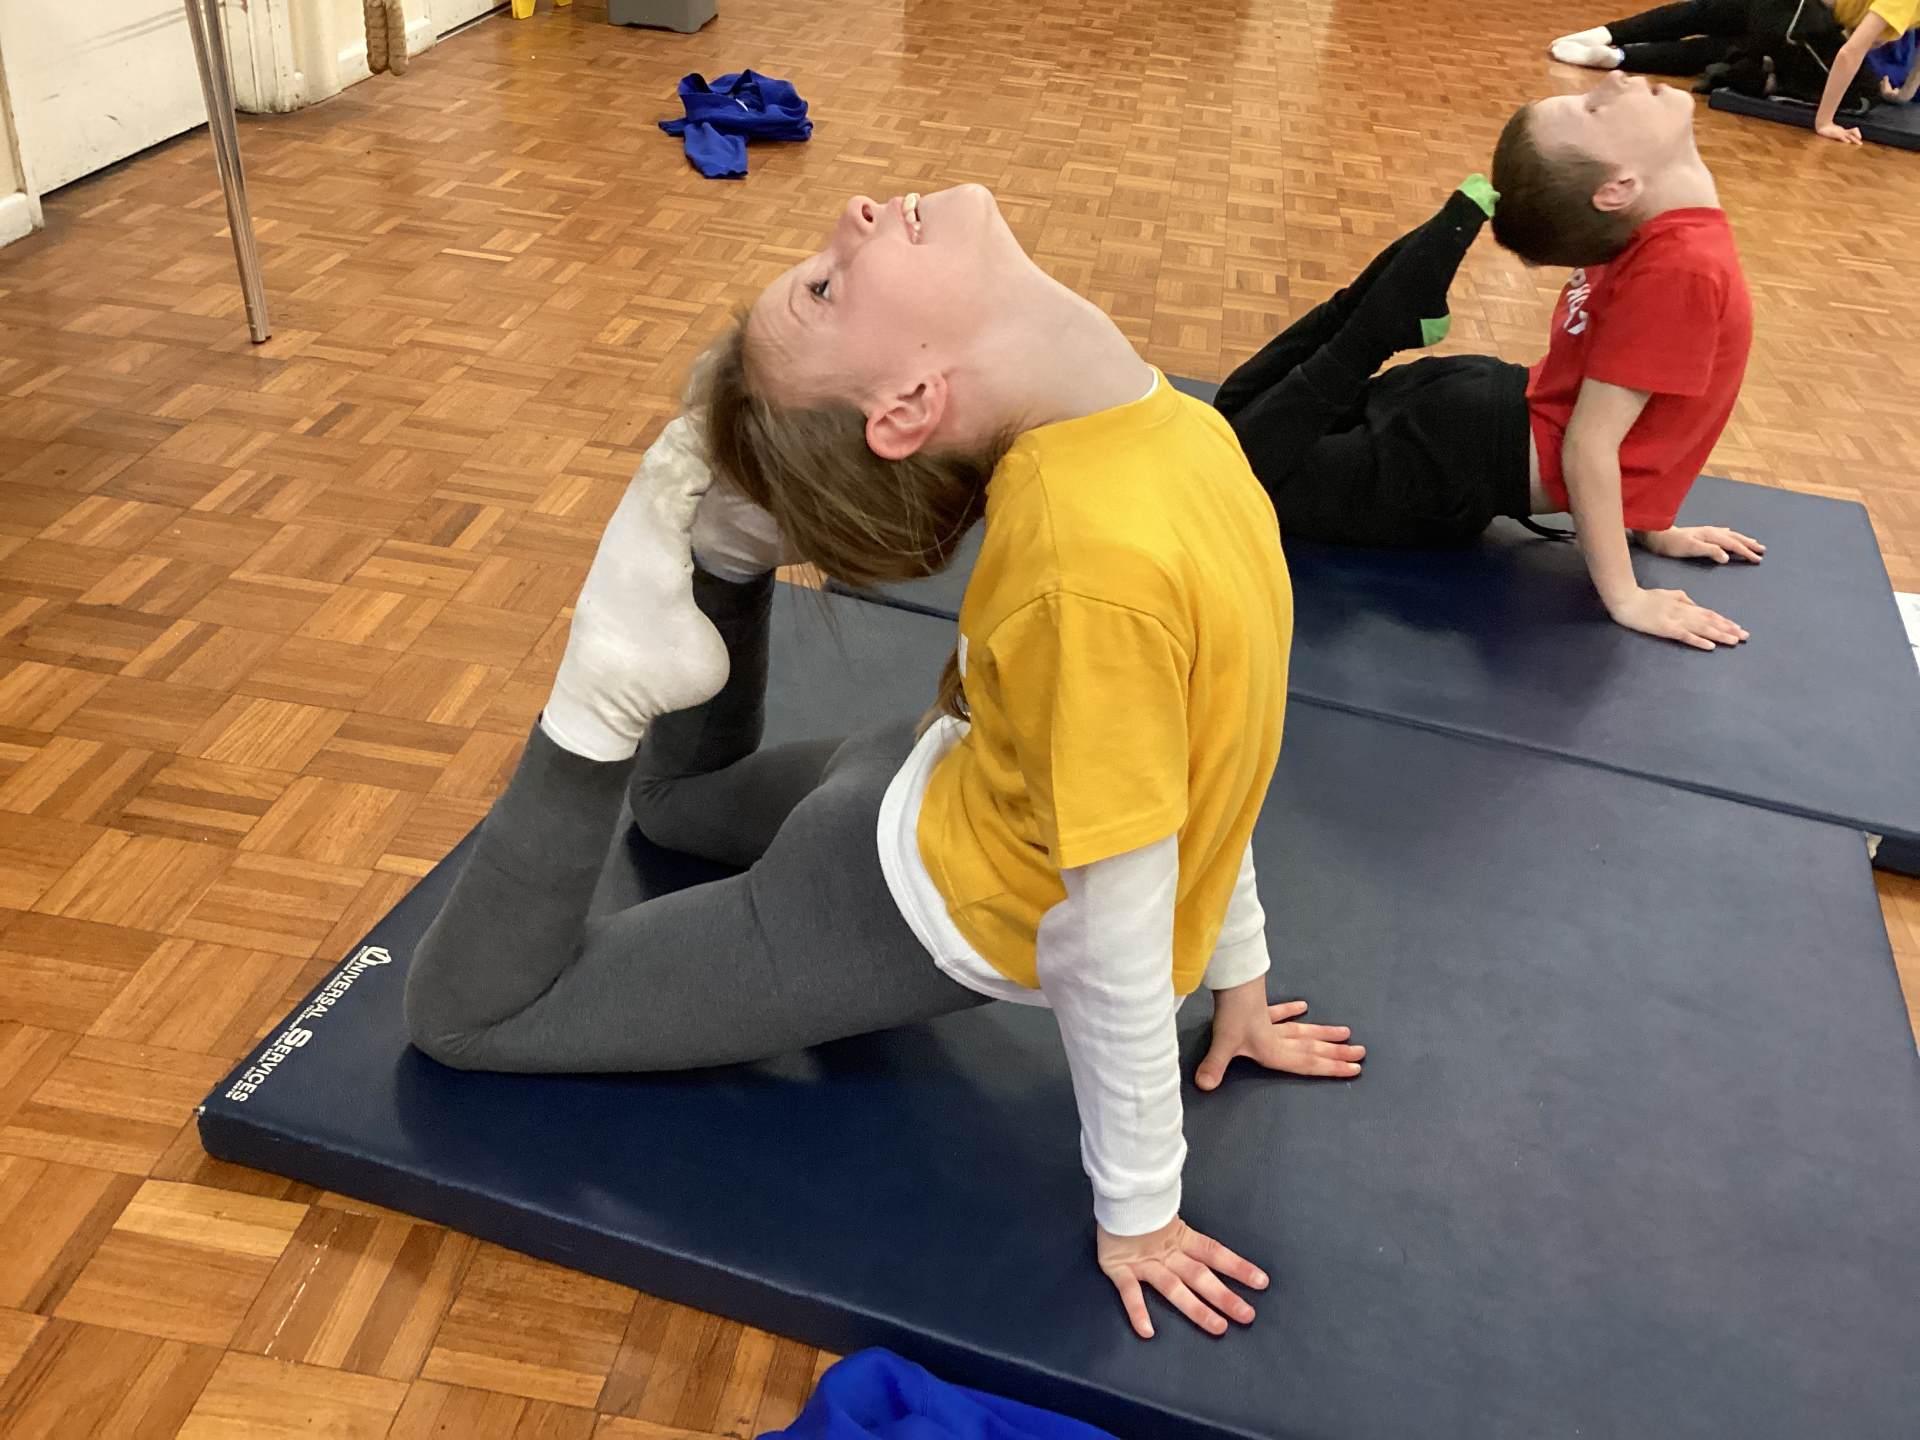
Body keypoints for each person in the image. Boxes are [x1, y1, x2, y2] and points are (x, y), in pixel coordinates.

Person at [404, 184, 1365, 1342]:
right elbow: (1111, 934)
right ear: (909, 401)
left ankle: (722, 553)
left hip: (925, 775)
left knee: (676, 806)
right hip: (869, 905)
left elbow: (1217, 745)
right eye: (823, 285)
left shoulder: (1163, 438)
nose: (854, 214)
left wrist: (1239, 983)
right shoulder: (1126, 516)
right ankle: (609, 675)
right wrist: (1142, 1214)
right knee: (471, 1017)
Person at [1214, 75, 1760, 651]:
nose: (1614, 79)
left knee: (1235, 433)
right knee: (1234, 473)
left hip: (1469, 420)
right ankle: (1373, 324)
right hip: (1452, 459)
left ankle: (1377, 309)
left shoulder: (1658, 237)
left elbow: (1648, 399)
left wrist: (1652, 526)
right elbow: (1589, 446)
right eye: (1594, 108)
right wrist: (1626, 597)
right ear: (1617, 187)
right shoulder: (1678, 258)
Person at [1548, 0, 1894, 132]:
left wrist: (1904, 90)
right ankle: (1620, 57)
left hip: (1788, 10)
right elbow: (1849, 52)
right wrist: (1824, 122)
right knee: (1728, 47)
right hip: (1798, 20)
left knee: (1702, 13)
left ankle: (1604, 37)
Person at [1814, 0, 1920, 141]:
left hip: (1828, 19)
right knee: (1864, 96)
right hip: (1803, 12)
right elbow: (1849, 54)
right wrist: (1824, 122)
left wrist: (1905, 93)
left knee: (1867, 89)